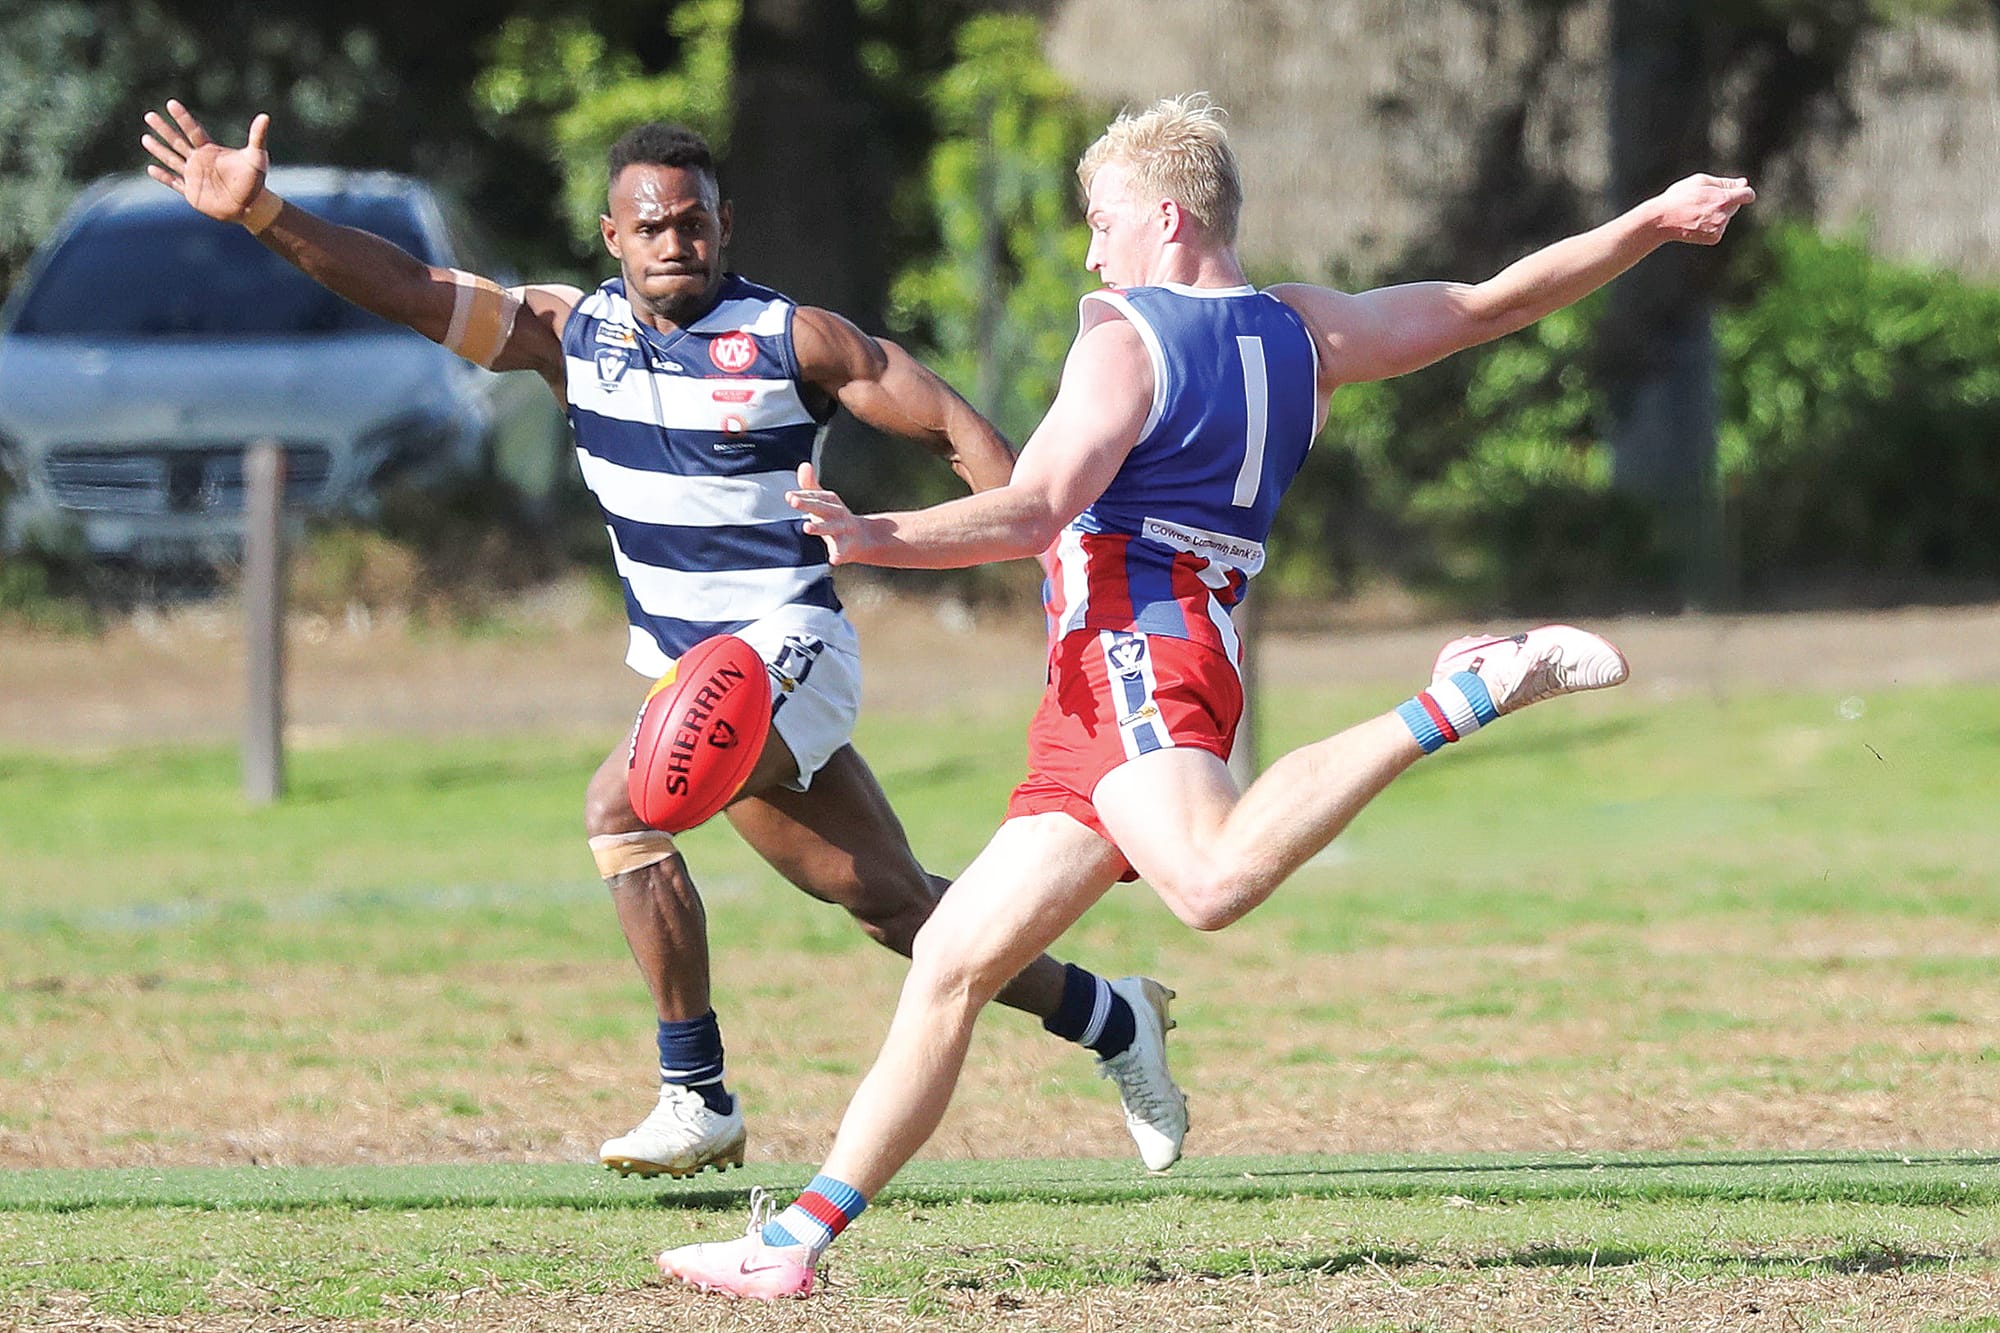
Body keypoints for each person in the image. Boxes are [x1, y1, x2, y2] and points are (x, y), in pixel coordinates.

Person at [654, 92, 1755, 1297]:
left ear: (1164, 219)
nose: (1089, 249)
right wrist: (1645, 223)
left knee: (1210, 880)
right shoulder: (1305, 329)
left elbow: (1033, 506)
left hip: (1138, 647)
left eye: (1100, 220)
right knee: (953, 962)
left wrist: (876, 533)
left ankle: (1465, 692)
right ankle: (792, 1244)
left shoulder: (1124, 336)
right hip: (1142, 666)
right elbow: (1495, 302)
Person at [140, 101, 1188, 1179]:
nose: (675, 243)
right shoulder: (566, 335)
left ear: (722, 226)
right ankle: (1112, 1019)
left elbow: (955, 431)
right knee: (892, 906)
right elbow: (406, 289)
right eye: (652, 227)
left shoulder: (792, 339)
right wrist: (263, 211)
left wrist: (1056, 580)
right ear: (612, 236)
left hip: (790, 647)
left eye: (692, 223)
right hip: (686, 671)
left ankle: (695, 1093)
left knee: (618, 803)